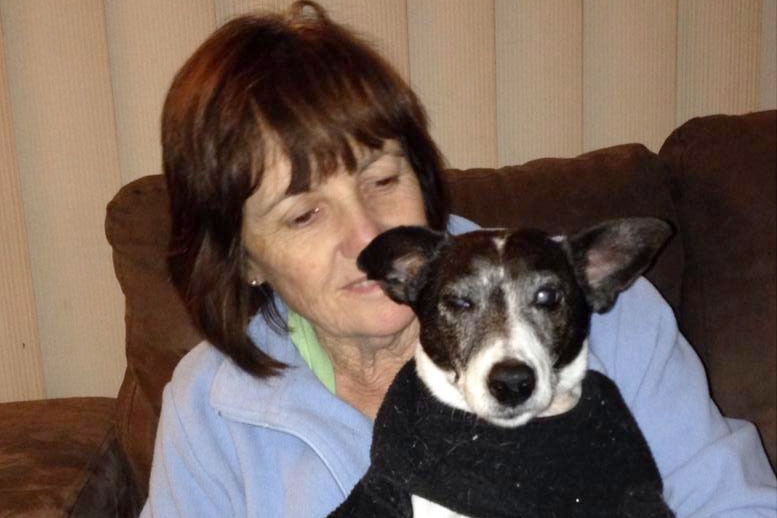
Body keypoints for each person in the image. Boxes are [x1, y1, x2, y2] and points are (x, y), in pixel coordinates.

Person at [142, 2, 777, 516]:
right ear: (242, 259)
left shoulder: (605, 314)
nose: (366, 235)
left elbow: (736, 506)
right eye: (305, 214)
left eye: (383, 181)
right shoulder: (212, 408)